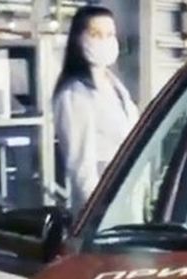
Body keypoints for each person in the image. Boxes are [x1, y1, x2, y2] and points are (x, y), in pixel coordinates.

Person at [53, 5, 140, 212]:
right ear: (79, 39)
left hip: (128, 195)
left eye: (110, 35)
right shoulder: (74, 95)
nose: (104, 41)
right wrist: (97, 214)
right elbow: (81, 168)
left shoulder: (116, 87)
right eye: (96, 34)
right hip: (102, 204)